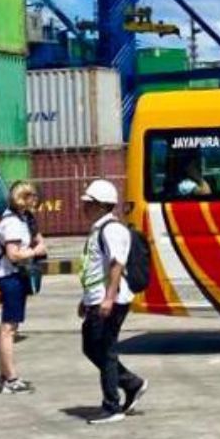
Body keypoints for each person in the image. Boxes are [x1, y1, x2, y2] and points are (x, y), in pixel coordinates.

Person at [78, 179, 148, 425]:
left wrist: (108, 298)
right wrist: (85, 299)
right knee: (91, 347)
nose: (84, 207)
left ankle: (112, 406)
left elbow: (116, 265)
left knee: (105, 351)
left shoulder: (112, 230)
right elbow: (94, 268)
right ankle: (131, 383)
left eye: (88, 203)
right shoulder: (98, 229)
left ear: (101, 205)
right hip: (96, 299)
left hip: (111, 301)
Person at [0, 181, 47, 394]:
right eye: (33, 197)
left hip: (18, 277)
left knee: (11, 326)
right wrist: (34, 252)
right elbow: (13, 254)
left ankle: (4, 375)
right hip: (11, 277)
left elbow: (39, 241)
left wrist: (38, 247)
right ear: (23, 198)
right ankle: (10, 378)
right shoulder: (12, 223)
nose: (36, 201)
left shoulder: (24, 219)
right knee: (8, 328)